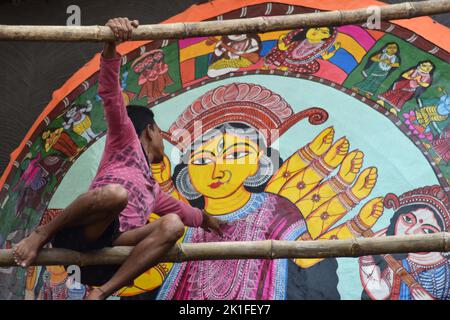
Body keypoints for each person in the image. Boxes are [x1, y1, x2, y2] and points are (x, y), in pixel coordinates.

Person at [12, 17, 224, 300]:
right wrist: (111, 45)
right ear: (149, 130)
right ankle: (41, 234)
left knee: (173, 224)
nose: (163, 138)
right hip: (82, 233)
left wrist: (209, 220)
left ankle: (101, 292)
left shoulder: (152, 190)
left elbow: (186, 214)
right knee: (117, 194)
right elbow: (111, 96)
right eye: (160, 131)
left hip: (110, 252)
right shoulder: (125, 141)